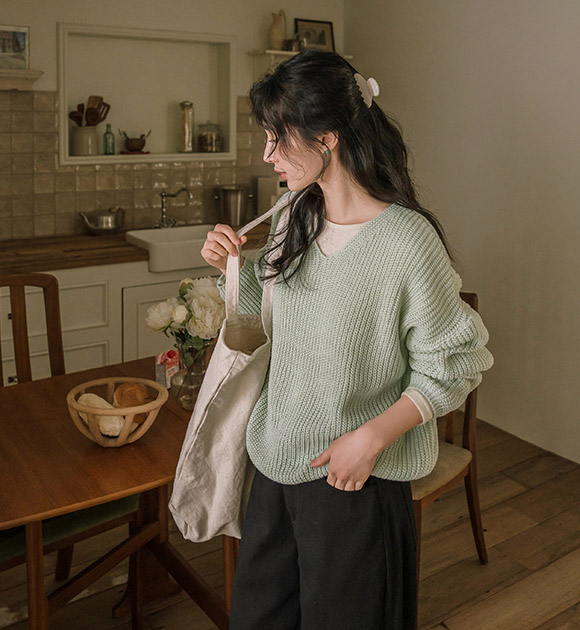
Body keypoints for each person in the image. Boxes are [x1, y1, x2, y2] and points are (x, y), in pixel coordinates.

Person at [201, 49, 493, 630]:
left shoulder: (406, 242)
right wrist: (231, 269)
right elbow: (273, 323)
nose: (267, 155)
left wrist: (370, 439)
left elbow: (456, 363)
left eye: (277, 138)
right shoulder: (294, 217)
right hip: (276, 462)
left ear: (327, 138)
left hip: (354, 477)